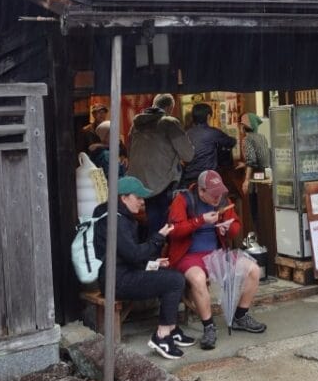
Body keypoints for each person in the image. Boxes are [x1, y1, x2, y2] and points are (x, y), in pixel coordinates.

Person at [92, 176, 194, 360]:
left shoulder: (113, 214)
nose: (142, 201)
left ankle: (171, 328)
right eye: (138, 197)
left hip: (120, 272)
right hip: (117, 281)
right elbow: (134, 255)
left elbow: (126, 255)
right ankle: (162, 336)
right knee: (174, 281)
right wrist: (158, 237)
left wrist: (152, 264)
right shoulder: (117, 221)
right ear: (124, 197)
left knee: (173, 275)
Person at [167, 170, 266, 350]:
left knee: (254, 269)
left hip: (216, 253)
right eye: (213, 194)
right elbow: (173, 230)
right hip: (188, 255)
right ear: (201, 191)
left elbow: (236, 226)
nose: (217, 197)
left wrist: (227, 229)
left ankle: (241, 316)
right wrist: (199, 220)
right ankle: (209, 326)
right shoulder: (183, 200)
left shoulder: (222, 201)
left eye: (220, 192)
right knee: (197, 278)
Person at [127, 93, 195, 236]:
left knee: (151, 221)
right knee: (166, 223)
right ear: (170, 107)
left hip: (139, 181)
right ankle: (161, 253)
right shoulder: (169, 123)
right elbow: (188, 155)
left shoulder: (136, 125)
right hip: (163, 181)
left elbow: (129, 149)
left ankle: (152, 252)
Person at [180, 103, 236, 188]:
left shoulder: (186, 134)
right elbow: (231, 142)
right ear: (208, 117)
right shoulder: (213, 133)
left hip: (189, 179)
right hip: (208, 179)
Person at [239, 112, 271, 230]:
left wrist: (246, 181)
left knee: (254, 210)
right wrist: (245, 163)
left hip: (254, 179)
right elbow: (261, 157)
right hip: (263, 175)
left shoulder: (247, 139)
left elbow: (251, 160)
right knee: (263, 210)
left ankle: (256, 234)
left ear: (244, 126)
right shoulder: (261, 137)